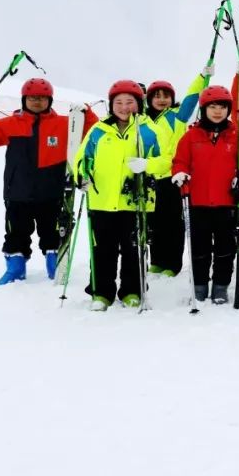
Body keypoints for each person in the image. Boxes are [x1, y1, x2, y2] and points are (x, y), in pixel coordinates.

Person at [0, 77, 98, 285]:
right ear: (24, 100)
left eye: (42, 98)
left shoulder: (63, 124)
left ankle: (55, 266)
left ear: (50, 100)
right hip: (18, 192)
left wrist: (86, 114)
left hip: (52, 193)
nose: (37, 102)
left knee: (52, 232)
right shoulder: (11, 124)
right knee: (16, 233)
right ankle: (15, 269)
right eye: (32, 98)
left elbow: (91, 133)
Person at [74, 81, 168, 310]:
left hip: (137, 202)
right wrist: (82, 175)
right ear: (111, 105)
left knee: (133, 249)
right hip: (102, 201)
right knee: (102, 250)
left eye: (130, 102)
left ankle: (132, 291)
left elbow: (167, 161)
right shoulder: (98, 131)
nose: (124, 107)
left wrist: (148, 164)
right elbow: (81, 159)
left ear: (139, 104)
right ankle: (101, 293)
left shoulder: (150, 130)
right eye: (119, 102)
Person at [171, 86, 239, 304]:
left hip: (227, 203)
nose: (217, 111)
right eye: (212, 106)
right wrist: (179, 173)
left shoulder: (237, 136)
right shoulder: (191, 135)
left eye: (222, 107)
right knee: (199, 249)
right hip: (198, 203)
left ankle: (221, 286)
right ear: (204, 109)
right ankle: (200, 285)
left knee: (226, 249)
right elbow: (180, 161)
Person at [142, 72, 209, 276]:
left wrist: (202, 77)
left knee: (173, 223)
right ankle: (157, 260)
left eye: (166, 96)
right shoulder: (142, 120)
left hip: (172, 178)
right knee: (154, 223)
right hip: (150, 178)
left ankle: (172, 264)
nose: (162, 100)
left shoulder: (177, 116)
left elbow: (192, 96)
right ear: (149, 99)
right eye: (157, 96)